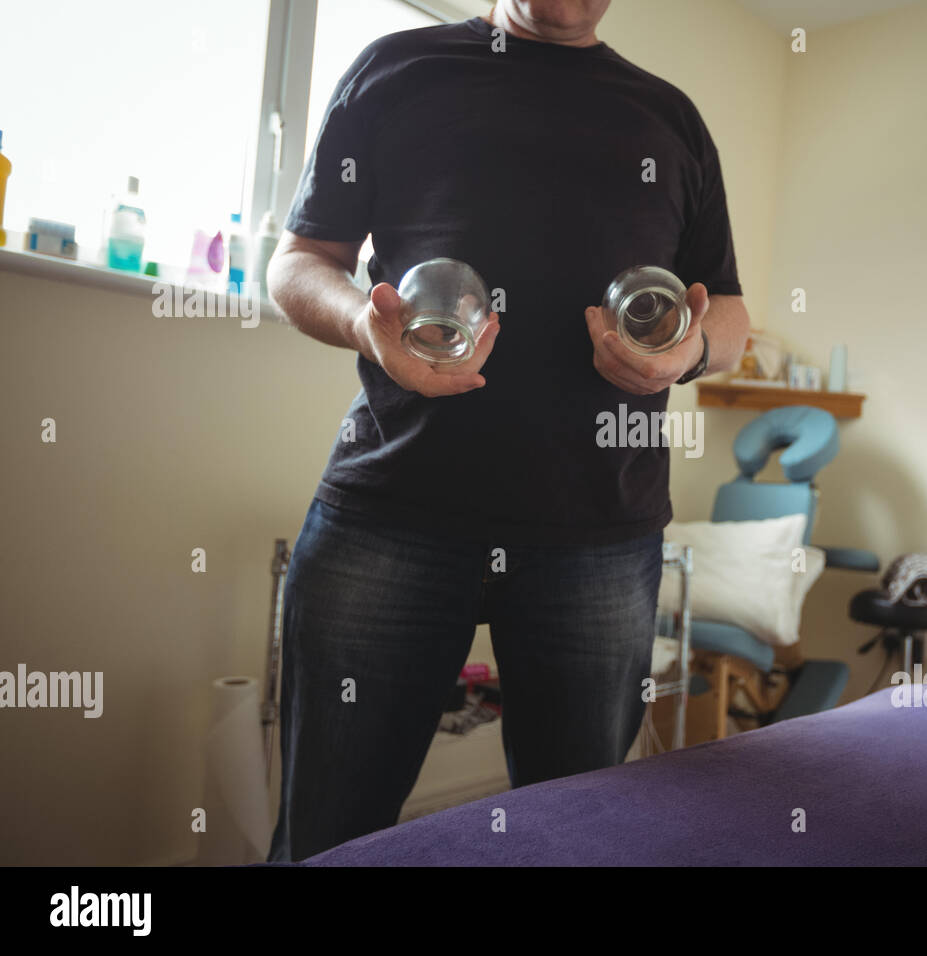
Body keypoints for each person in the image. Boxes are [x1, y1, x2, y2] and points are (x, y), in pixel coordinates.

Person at [265, 0, 750, 861]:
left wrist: (687, 353)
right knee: (327, 837)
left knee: (577, 841)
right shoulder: (397, 69)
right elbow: (302, 261)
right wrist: (364, 327)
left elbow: (730, 314)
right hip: (390, 513)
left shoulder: (670, 117)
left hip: (601, 534)